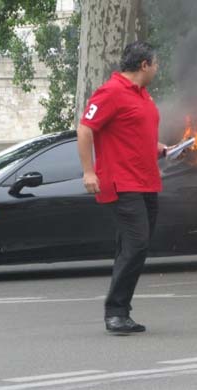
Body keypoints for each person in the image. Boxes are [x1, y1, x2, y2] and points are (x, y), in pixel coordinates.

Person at [77, 41, 168, 335]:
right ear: (144, 65)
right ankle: (115, 312)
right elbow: (85, 129)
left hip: (145, 181)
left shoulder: (143, 95)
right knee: (137, 244)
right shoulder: (111, 92)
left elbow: (130, 134)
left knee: (132, 246)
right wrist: (89, 171)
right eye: (156, 63)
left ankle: (120, 311)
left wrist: (156, 148)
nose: (157, 68)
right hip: (122, 183)